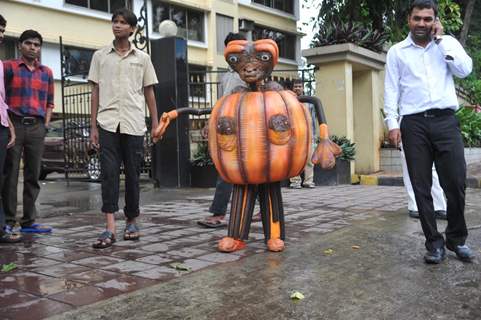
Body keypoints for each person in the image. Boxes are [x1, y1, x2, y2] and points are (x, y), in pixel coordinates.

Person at [384, 0, 474, 264]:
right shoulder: (397, 52)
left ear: (434, 21)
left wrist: (442, 41)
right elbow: (391, 89)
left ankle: (456, 239)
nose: (422, 23)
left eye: (427, 19)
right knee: (421, 186)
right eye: (417, 18)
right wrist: (392, 124)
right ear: (408, 20)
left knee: (456, 183)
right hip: (413, 124)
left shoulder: (447, 44)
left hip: (446, 121)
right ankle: (433, 243)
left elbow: (465, 70)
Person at [88, 8, 159, 248]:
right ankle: (109, 227)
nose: (117, 26)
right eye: (114, 22)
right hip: (107, 123)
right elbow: (95, 91)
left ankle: (131, 221)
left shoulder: (143, 58)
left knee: (132, 175)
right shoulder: (100, 56)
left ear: (132, 29)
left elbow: (149, 90)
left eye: (122, 22)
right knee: (108, 174)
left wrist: (156, 122)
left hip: (134, 123)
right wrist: (93, 127)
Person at [197, 32, 260, 228]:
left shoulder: (252, 72)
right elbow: (221, 103)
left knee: (250, 170)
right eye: (230, 48)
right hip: (228, 128)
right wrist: (209, 123)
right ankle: (220, 213)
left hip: (248, 128)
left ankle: (256, 210)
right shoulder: (226, 77)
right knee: (226, 170)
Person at [2, 29, 53, 234]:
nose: (33, 47)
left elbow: (50, 102)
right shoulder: (8, 67)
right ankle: (8, 220)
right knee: (11, 174)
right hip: (13, 123)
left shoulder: (46, 72)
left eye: (37, 44)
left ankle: (29, 221)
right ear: (20, 45)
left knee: (33, 173)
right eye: (29, 43)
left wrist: (46, 124)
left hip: (37, 126)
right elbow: (0, 97)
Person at [0, 14, 21, 243]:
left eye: (3, 31)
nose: (1, 35)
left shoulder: (0, 66)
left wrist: (11, 127)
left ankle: (1, 229)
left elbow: (2, 100)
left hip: (2, 126)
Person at [400, 146, 447, 219]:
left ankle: (439, 206)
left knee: (431, 166)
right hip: (408, 135)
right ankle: (414, 206)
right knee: (409, 164)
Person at [289, 79, 318, 189]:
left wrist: (314, 135)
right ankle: (295, 181)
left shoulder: (309, 102)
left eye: (299, 86)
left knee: (309, 159)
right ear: (293, 88)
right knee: (294, 159)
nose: (297, 88)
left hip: (308, 135)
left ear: (303, 88)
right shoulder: (289, 101)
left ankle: (308, 181)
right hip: (294, 135)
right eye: (295, 86)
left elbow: (313, 120)